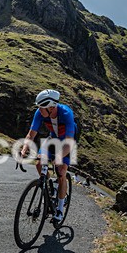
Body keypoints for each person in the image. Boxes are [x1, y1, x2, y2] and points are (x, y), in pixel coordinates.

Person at [19, 89, 77, 222]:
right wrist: (24, 149)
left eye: (41, 107)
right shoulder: (40, 113)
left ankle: (60, 210)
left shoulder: (66, 113)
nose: (39, 110)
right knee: (39, 163)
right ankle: (49, 187)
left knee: (62, 171)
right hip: (52, 139)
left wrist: (58, 158)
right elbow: (31, 134)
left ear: (51, 107)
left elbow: (69, 143)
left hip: (67, 143)